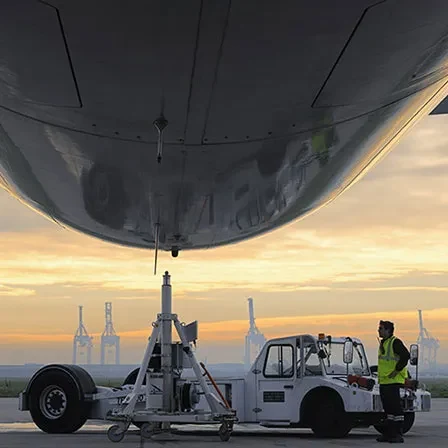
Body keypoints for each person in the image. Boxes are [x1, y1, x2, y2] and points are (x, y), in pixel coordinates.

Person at [377, 320, 410, 443]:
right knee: (388, 410)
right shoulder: (384, 343)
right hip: (385, 381)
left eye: (381, 328)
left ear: (388, 330)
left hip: (393, 381)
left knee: (396, 409)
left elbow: (405, 355)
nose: (379, 331)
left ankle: (397, 434)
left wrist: (397, 370)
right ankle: (389, 434)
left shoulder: (395, 342)